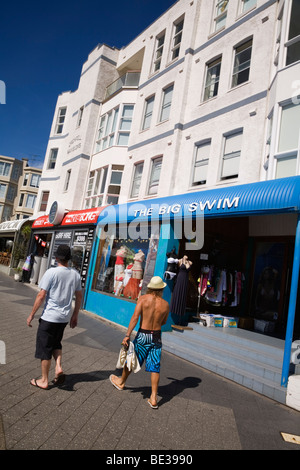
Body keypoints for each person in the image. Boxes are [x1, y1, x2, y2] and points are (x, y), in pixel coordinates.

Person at [26, 244, 82, 390]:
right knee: (56, 343)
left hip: (49, 318)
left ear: (57, 257)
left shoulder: (51, 273)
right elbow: (79, 295)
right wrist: (75, 315)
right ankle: (58, 366)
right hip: (64, 318)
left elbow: (41, 295)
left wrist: (32, 314)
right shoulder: (75, 274)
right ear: (68, 258)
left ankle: (44, 380)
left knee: (45, 349)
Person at [109, 276, 169, 409]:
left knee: (132, 359)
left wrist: (127, 335)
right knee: (155, 366)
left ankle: (121, 382)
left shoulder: (143, 299)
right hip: (157, 337)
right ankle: (153, 397)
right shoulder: (165, 304)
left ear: (150, 288)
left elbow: (135, 318)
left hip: (143, 335)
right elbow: (163, 322)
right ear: (161, 289)